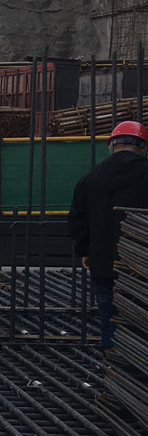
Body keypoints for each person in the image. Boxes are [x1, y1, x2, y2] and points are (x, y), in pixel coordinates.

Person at [68, 120, 148, 352]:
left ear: (112, 146)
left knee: (109, 319)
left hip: (103, 263)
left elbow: (77, 221)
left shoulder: (90, 180)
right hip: (142, 267)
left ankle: (112, 362)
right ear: (142, 148)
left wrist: (85, 251)